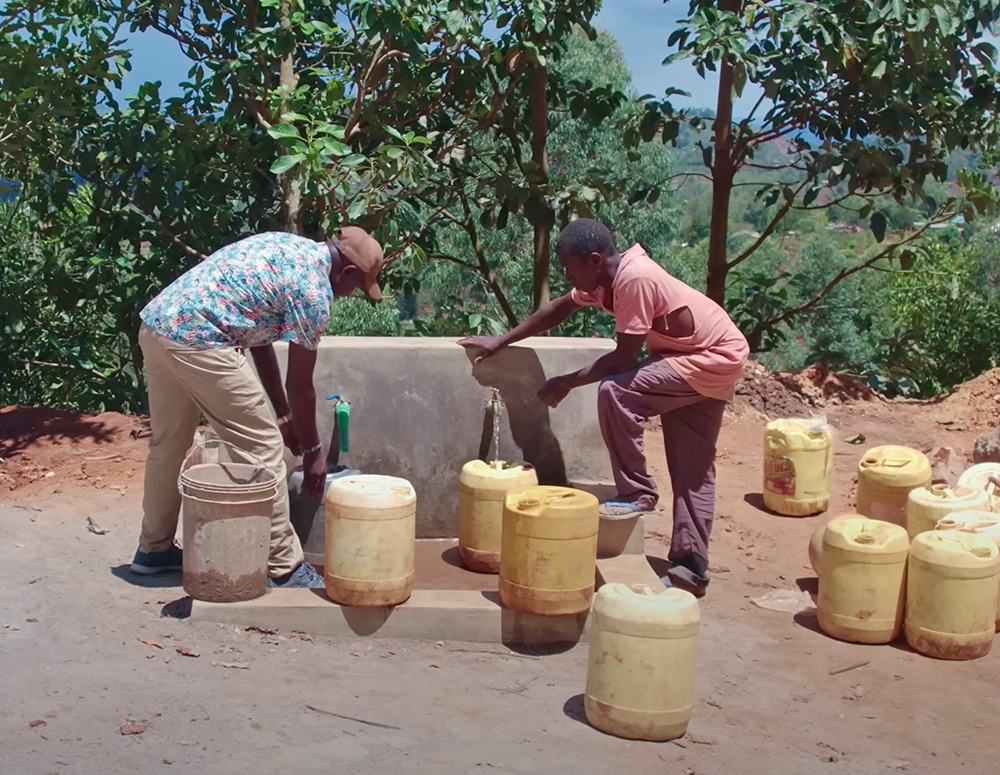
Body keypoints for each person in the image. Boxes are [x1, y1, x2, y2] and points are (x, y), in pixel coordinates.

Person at [459, 219, 748, 596]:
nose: (565, 274)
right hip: (700, 357)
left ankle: (637, 491)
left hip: (711, 357)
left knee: (616, 392)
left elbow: (624, 359)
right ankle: (690, 571)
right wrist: (503, 339)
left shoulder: (634, 279)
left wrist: (566, 382)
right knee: (692, 470)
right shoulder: (602, 281)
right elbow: (558, 309)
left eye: (569, 266)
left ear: (595, 260)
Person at [130, 227, 384, 588]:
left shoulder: (284, 244)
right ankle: (285, 566)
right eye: (356, 287)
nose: (350, 295)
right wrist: (313, 453)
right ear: (347, 273)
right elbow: (300, 384)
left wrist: (284, 418)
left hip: (158, 327)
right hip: (200, 340)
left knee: (169, 444)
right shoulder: (314, 291)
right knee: (263, 446)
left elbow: (258, 338)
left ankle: (152, 551)